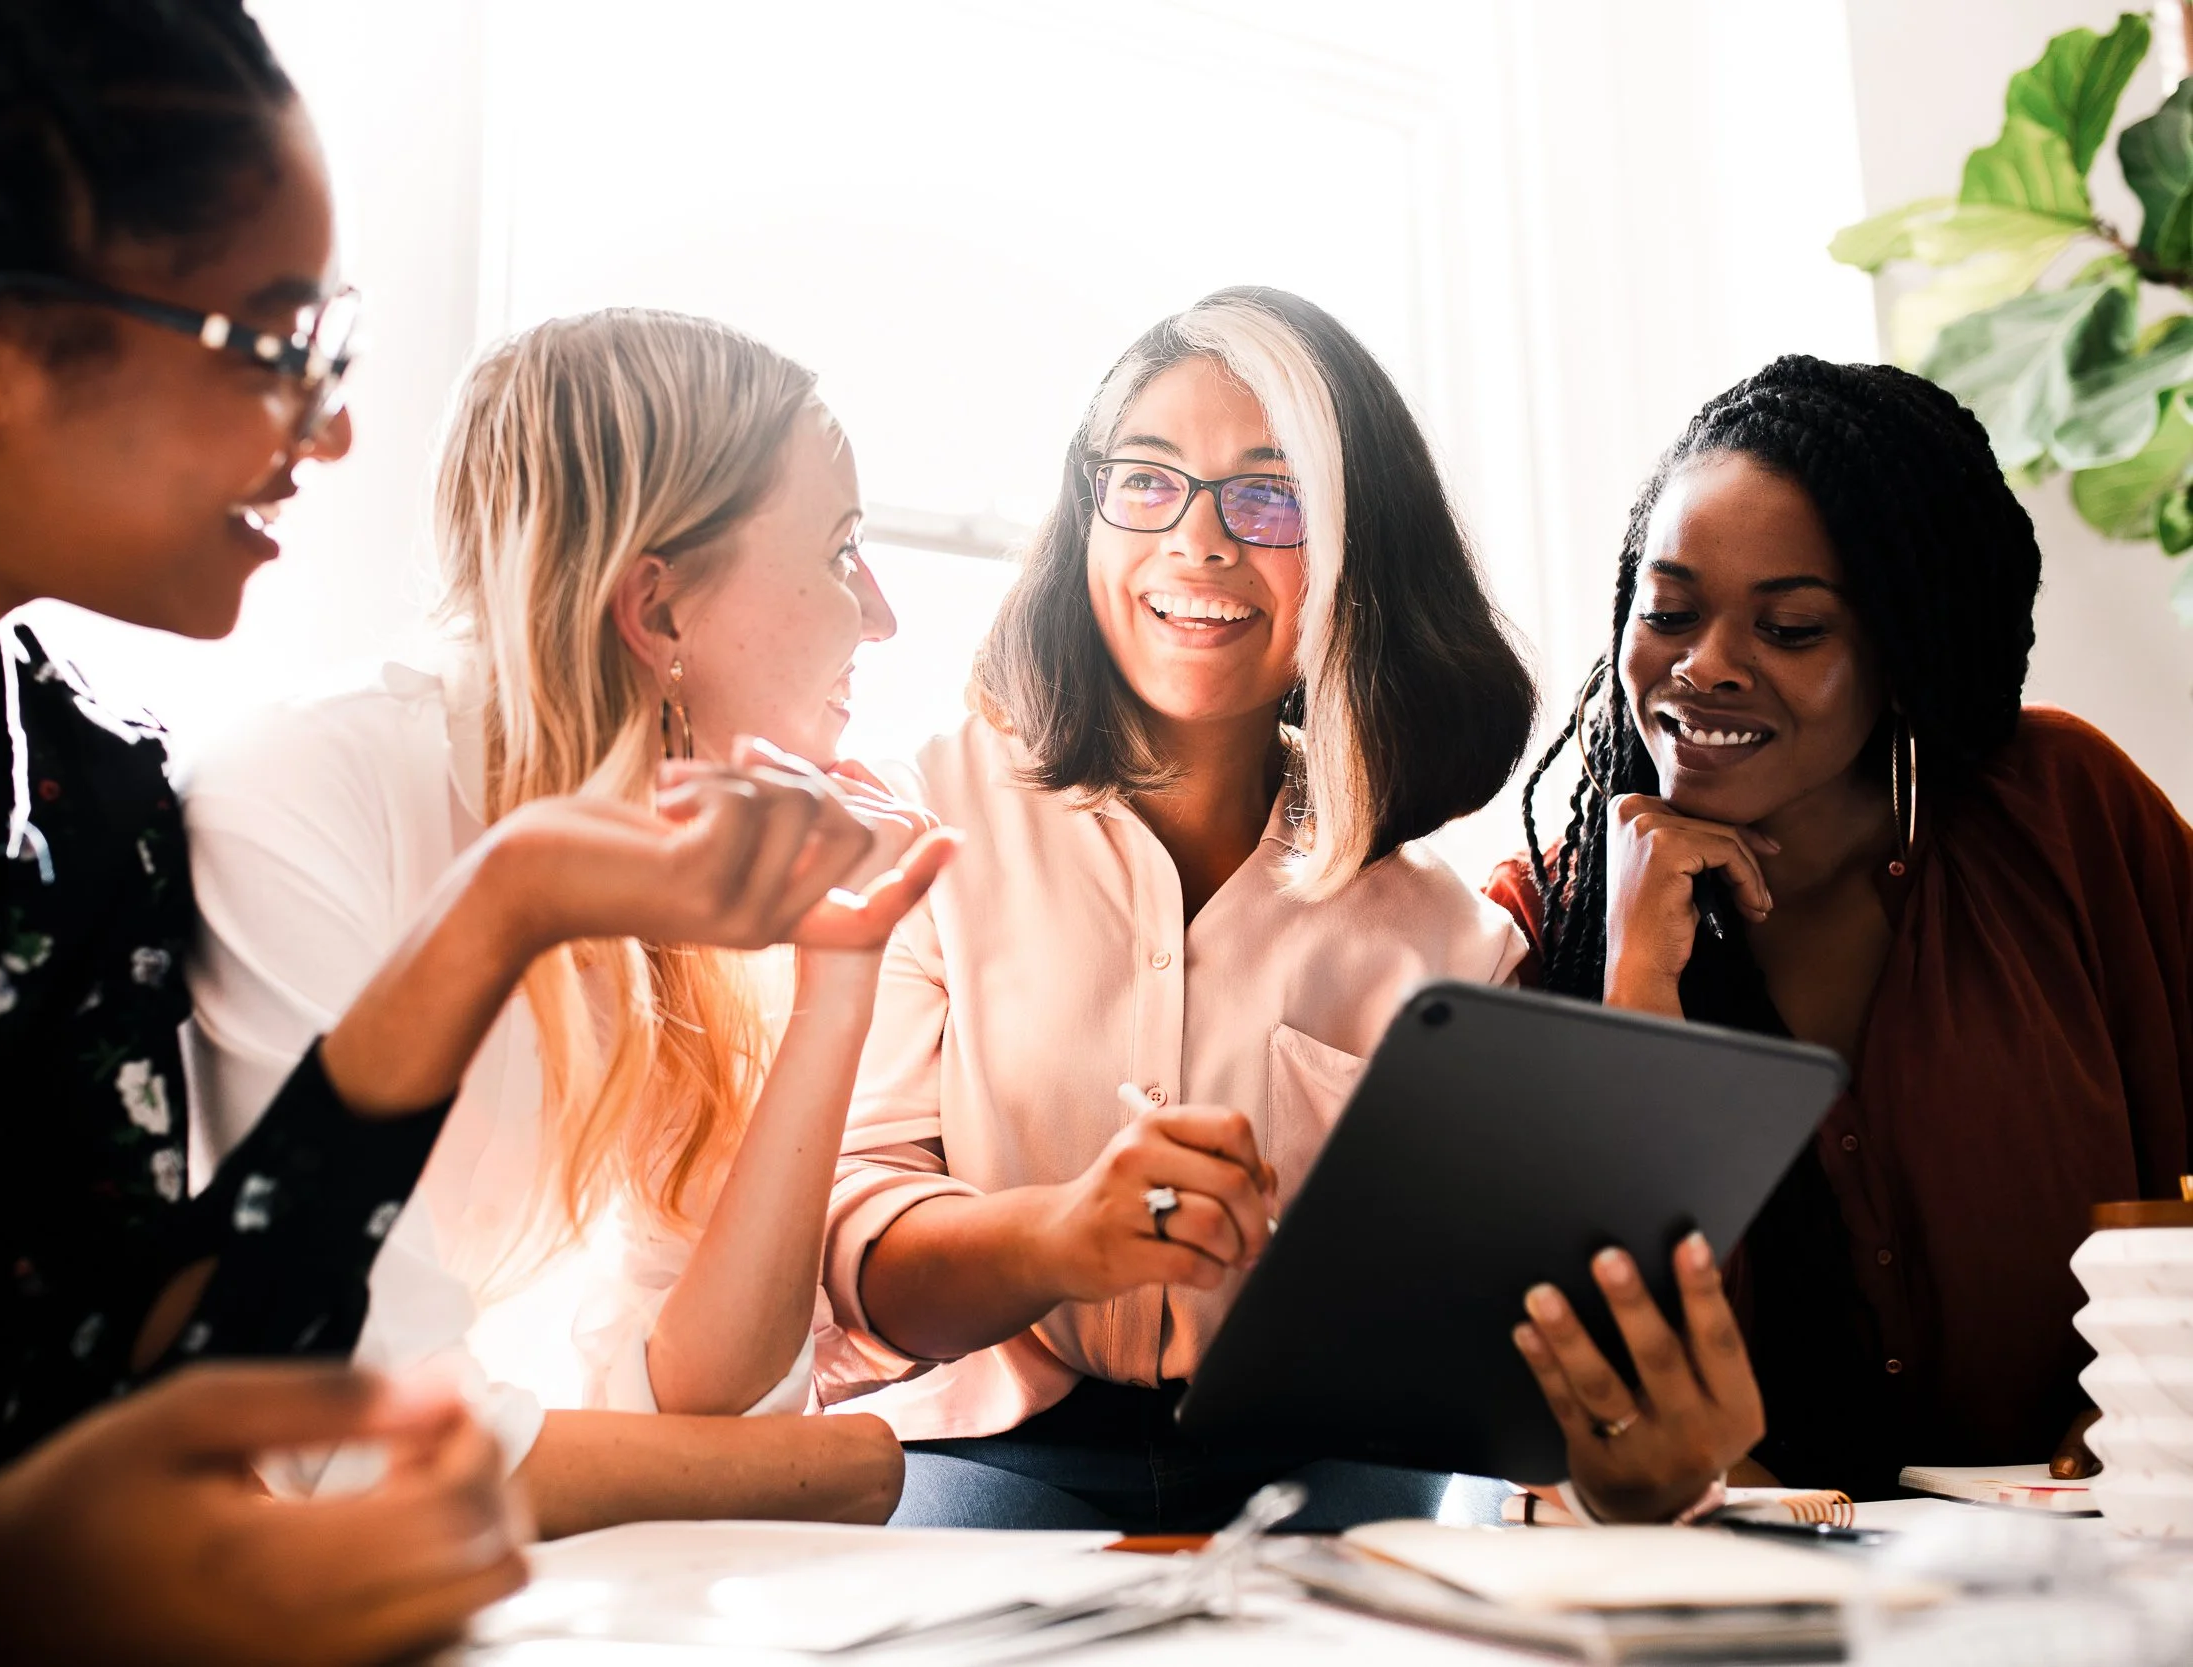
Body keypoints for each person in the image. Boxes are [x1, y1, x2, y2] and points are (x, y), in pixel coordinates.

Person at [0, 4, 918, 1660]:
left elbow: (167, 1394)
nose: (332, 428)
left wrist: (509, 900)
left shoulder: (65, 807)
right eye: (269, 344)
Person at [185, 309, 953, 1535]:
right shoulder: (305, 795)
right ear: (656, 613)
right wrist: (846, 1467)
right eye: (842, 548)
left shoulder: (670, 863)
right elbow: (352, 1445)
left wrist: (837, 990)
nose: (881, 615)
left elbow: (710, 1396)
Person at [815, 286, 1542, 1532]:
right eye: (1146, 481)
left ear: (1361, 555)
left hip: (1333, 1468)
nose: (1200, 544)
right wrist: (1055, 1239)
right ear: (1085, 512)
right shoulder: (924, 822)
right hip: (986, 1451)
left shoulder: (1451, 942)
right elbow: (858, 1251)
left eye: (1272, 497)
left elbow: (1477, 1325)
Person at [1489, 354, 2193, 1520]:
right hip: (1745, 1606)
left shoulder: (2066, 816)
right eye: (1666, 612)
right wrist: (1635, 984)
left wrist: (2159, 1393)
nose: (1703, 663)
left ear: (1904, 648)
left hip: (2109, 1573)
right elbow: (1564, 1391)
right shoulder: (1543, 924)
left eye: (1791, 625)